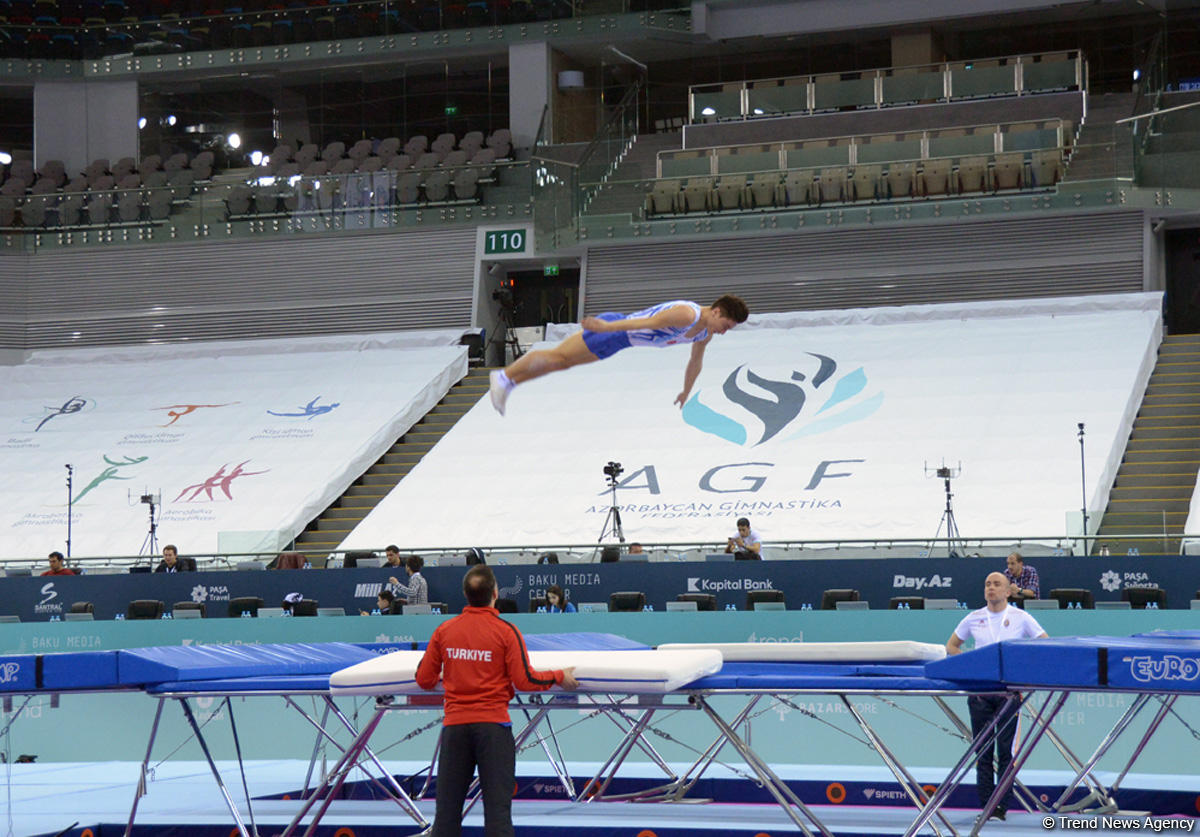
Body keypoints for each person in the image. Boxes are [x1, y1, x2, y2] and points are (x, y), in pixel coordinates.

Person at [416, 565, 578, 837]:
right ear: (495, 593)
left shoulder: (445, 630)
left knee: (445, 818)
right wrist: (559, 675)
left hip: (455, 729)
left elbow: (423, 679)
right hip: (492, 729)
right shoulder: (505, 631)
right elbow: (525, 680)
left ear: (465, 595)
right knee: (498, 817)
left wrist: (452, 668)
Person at [487, 295, 750, 415]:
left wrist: (686, 390)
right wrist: (606, 327)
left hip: (621, 341)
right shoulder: (686, 314)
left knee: (561, 363)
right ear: (717, 312)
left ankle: (507, 381)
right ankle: (504, 377)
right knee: (558, 358)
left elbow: (696, 361)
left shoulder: (704, 333)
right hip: (616, 330)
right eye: (725, 326)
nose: (724, 332)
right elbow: (644, 323)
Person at [946, 571, 1049, 822]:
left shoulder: (1020, 617)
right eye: (987, 584)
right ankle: (987, 805)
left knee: (1005, 753)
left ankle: (1002, 805)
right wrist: (971, 666)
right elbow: (951, 647)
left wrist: (1023, 669)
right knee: (982, 751)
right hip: (981, 693)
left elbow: (1044, 643)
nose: (991, 588)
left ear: (1007, 591)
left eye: (996, 584)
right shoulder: (973, 618)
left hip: (1007, 694)